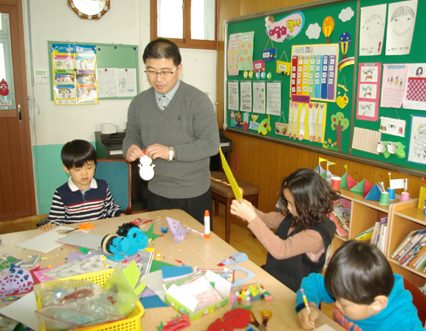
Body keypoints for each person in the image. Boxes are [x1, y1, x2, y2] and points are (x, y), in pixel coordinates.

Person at [122, 38, 220, 223]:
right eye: (151, 71)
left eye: (165, 72)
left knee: (197, 248)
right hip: (157, 191)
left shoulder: (197, 100)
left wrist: (171, 152)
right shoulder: (138, 103)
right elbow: (131, 136)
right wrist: (129, 148)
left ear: (179, 69)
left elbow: (210, 144)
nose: (158, 79)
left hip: (193, 192)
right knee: (161, 246)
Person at [230, 168, 338, 291]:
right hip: (274, 280)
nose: (288, 207)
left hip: (297, 295)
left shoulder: (317, 235)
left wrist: (251, 217)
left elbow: (281, 250)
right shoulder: (297, 214)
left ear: (309, 203)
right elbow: (265, 219)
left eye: (292, 204)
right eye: (287, 202)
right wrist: (248, 209)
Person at [295, 240, 424, 331]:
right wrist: (309, 306)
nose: (337, 305)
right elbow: (312, 282)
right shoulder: (349, 286)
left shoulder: (402, 323)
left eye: (344, 304)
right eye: (336, 298)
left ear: (377, 304)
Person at [39, 140, 125, 231]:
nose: (84, 173)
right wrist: (51, 226)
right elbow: (56, 220)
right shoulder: (61, 193)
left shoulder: (102, 186)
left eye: (89, 167)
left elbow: (111, 207)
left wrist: (121, 215)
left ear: (95, 165)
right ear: (66, 169)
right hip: (75, 236)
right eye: (78, 169)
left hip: (100, 232)